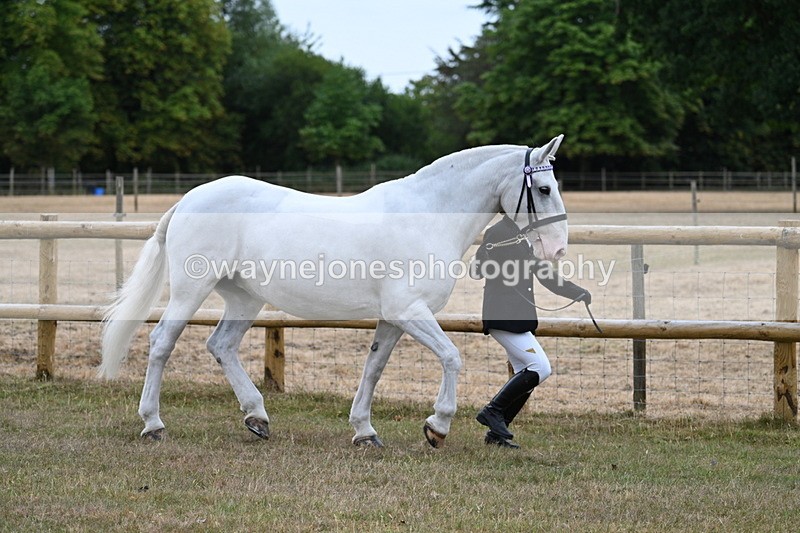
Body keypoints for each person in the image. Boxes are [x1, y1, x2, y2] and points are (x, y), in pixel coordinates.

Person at [470, 215, 591, 449]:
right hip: (503, 316)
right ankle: (492, 412)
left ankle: (497, 433)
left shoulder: (525, 236)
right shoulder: (499, 232)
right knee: (540, 368)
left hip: (516, 317)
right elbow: (477, 270)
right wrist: (484, 257)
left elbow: (544, 275)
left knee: (524, 371)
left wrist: (577, 292)